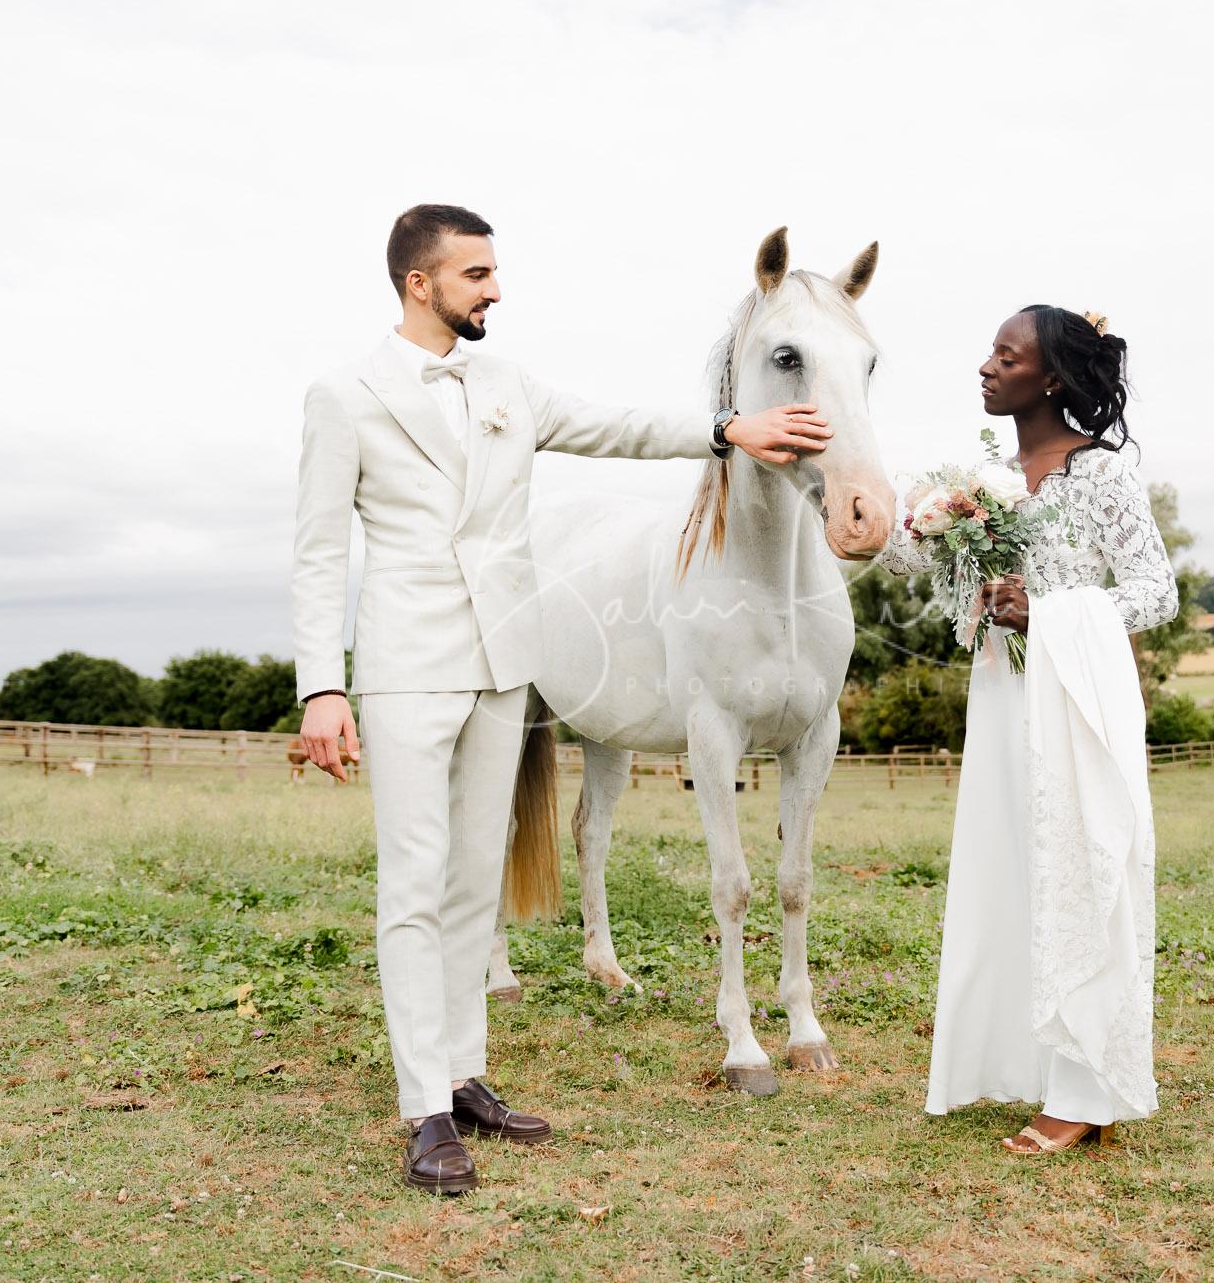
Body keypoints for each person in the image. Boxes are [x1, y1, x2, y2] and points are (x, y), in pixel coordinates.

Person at [291, 204, 831, 1194]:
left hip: (508, 659)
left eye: (494, 272)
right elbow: (319, 550)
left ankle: (464, 1074)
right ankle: (423, 1108)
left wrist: (728, 429)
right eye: (476, 274)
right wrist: (322, 683)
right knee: (412, 886)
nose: (495, 289)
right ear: (420, 282)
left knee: (472, 880)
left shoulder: (506, 384)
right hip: (408, 664)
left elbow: (617, 428)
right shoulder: (344, 394)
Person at [879, 305, 1177, 1155]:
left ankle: (1087, 1090)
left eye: (1006, 357)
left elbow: (1155, 591)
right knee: (1010, 870)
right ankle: (1020, 1062)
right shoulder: (981, 485)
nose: (986, 367)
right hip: (1002, 698)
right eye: (989, 353)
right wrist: (853, 504)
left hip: (1075, 698)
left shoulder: (1102, 474)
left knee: (1082, 874)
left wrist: (1046, 613)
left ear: (1050, 378)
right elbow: (904, 554)